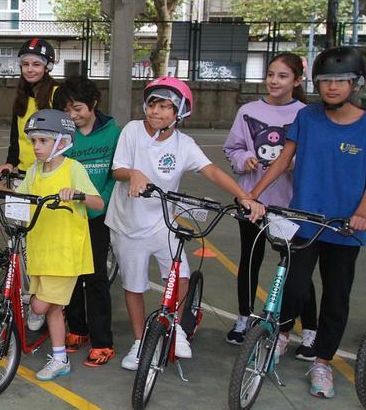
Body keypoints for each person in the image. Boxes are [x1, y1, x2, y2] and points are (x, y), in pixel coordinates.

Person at [105, 76, 264, 370]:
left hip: (164, 220)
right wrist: (134, 174)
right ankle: (140, 342)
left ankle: (176, 325)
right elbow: (117, 170)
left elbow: (213, 171)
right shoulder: (132, 131)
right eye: (153, 104)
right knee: (134, 285)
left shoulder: (184, 144)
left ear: (180, 113)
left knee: (179, 275)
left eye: (166, 107)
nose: (157, 112)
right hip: (127, 223)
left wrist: (244, 196)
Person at [250, 46, 366, 399]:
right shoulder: (307, 118)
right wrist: (253, 195)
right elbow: (284, 159)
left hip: (344, 226)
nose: (332, 87)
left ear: (356, 84)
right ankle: (281, 337)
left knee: (336, 297)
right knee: (295, 287)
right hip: (303, 221)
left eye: (341, 81)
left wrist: (361, 213)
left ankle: (322, 363)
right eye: (326, 81)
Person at [0, 109, 103, 381]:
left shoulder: (74, 169)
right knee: (53, 309)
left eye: (43, 141)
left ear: (61, 142)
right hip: (40, 250)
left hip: (65, 254)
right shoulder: (36, 170)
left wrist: (77, 194)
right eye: (34, 141)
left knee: (38, 307)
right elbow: (22, 195)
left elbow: (99, 203)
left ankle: (29, 308)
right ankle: (60, 358)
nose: (36, 147)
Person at [222, 53, 317, 357]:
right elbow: (232, 148)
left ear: (297, 81)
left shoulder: (307, 114)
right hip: (253, 201)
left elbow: (312, 157)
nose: (274, 81)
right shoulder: (248, 110)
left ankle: (309, 329)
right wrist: (243, 159)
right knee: (250, 261)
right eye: (271, 74)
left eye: (283, 76)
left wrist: (293, 164)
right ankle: (244, 317)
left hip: (289, 204)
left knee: (296, 267)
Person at [52, 75, 121, 367]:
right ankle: (78, 329)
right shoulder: (65, 133)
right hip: (69, 213)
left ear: (94, 103)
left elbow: (114, 175)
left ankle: (102, 340)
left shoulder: (113, 132)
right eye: (67, 110)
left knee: (95, 278)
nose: (72, 115)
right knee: (72, 273)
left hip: (96, 214)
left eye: (77, 108)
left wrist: (100, 203)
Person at [0, 38, 58, 175]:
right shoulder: (21, 96)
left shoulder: (57, 94)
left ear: (47, 67)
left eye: (36, 64)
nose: (29, 69)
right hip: (24, 172)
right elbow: (16, 137)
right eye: (25, 64)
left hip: (50, 171)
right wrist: (10, 163)